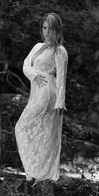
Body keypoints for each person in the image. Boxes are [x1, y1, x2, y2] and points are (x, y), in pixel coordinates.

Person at [15, 12, 68, 182]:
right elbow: (25, 64)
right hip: (36, 91)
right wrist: (34, 75)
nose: (47, 32)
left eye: (50, 29)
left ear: (57, 30)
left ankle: (34, 173)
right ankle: (37, 173)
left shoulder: (60, 51)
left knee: (22, 127)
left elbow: (61, 78)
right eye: (45, 28)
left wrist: (60, 102)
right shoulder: (37, 46)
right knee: (38, 131)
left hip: (47, 93)